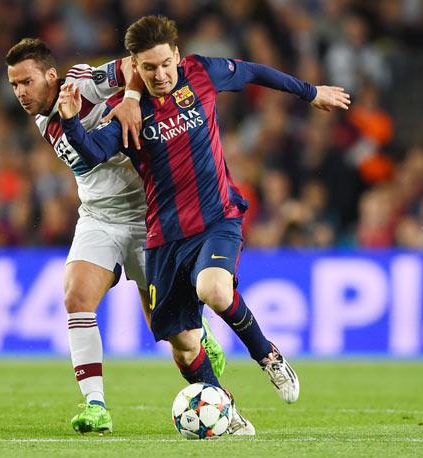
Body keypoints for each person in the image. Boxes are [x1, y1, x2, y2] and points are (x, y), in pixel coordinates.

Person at [58, 15, 351, 433]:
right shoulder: (128, 115)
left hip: (217, 218)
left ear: (176, 55)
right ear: (134, 69)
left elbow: (252, 72)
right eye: (148, 68)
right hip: (162, 238)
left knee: (213, 289)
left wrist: (311, 93)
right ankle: (227, 414)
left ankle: (266, 354)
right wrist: (70, 121)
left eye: (165, 64)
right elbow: (89, 156)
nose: (160, 75)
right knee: (184, 346)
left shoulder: (200, 72)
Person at [5, 38, 226, 435]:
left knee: (178, 337)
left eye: (26, 81)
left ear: (50, 75)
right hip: (98, 217)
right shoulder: (43, 118)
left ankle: (218, 395)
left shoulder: (83, 83)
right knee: (76, 296)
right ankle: (95, 405)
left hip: (147, 217)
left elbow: (132, 64)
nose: (20, 92)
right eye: (14, 85)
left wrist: (129, 98)